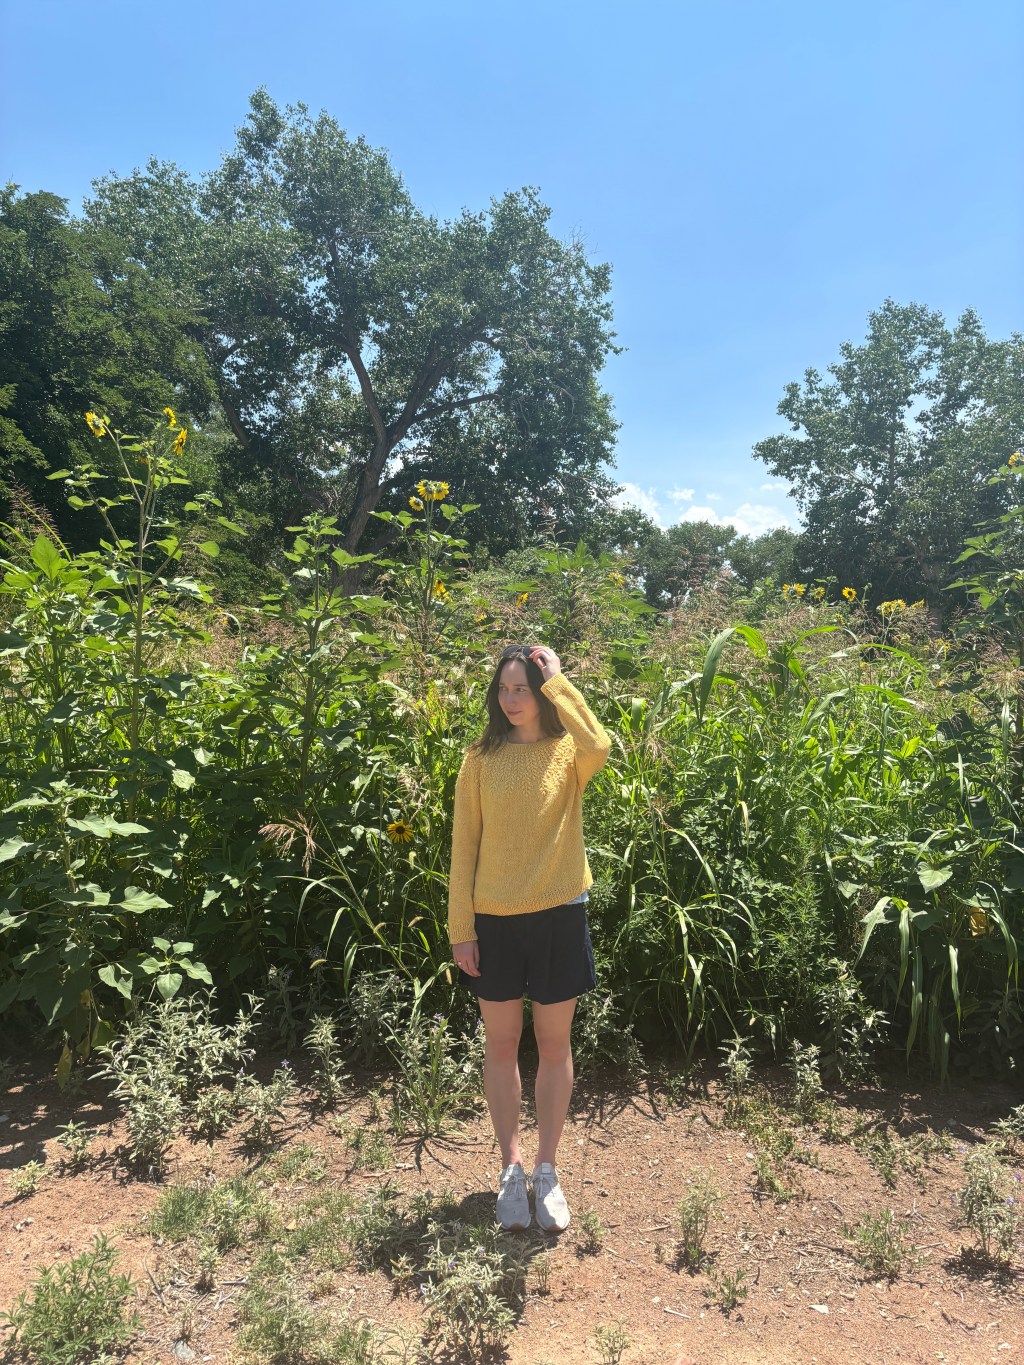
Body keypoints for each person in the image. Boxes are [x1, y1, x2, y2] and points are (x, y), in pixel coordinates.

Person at [447, 643, 611, 1231]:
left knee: (553, 1045)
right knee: (500, 1044)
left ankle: (547, 1170)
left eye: (524, 688)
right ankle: (510, 1169)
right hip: (493, 920)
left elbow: (600, 744)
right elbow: (464, 844)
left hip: (560, 913)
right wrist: (460, 929)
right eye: (505, 688)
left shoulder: (569, 753)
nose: (512, 700)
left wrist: (560, 680)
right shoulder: (480, 758)